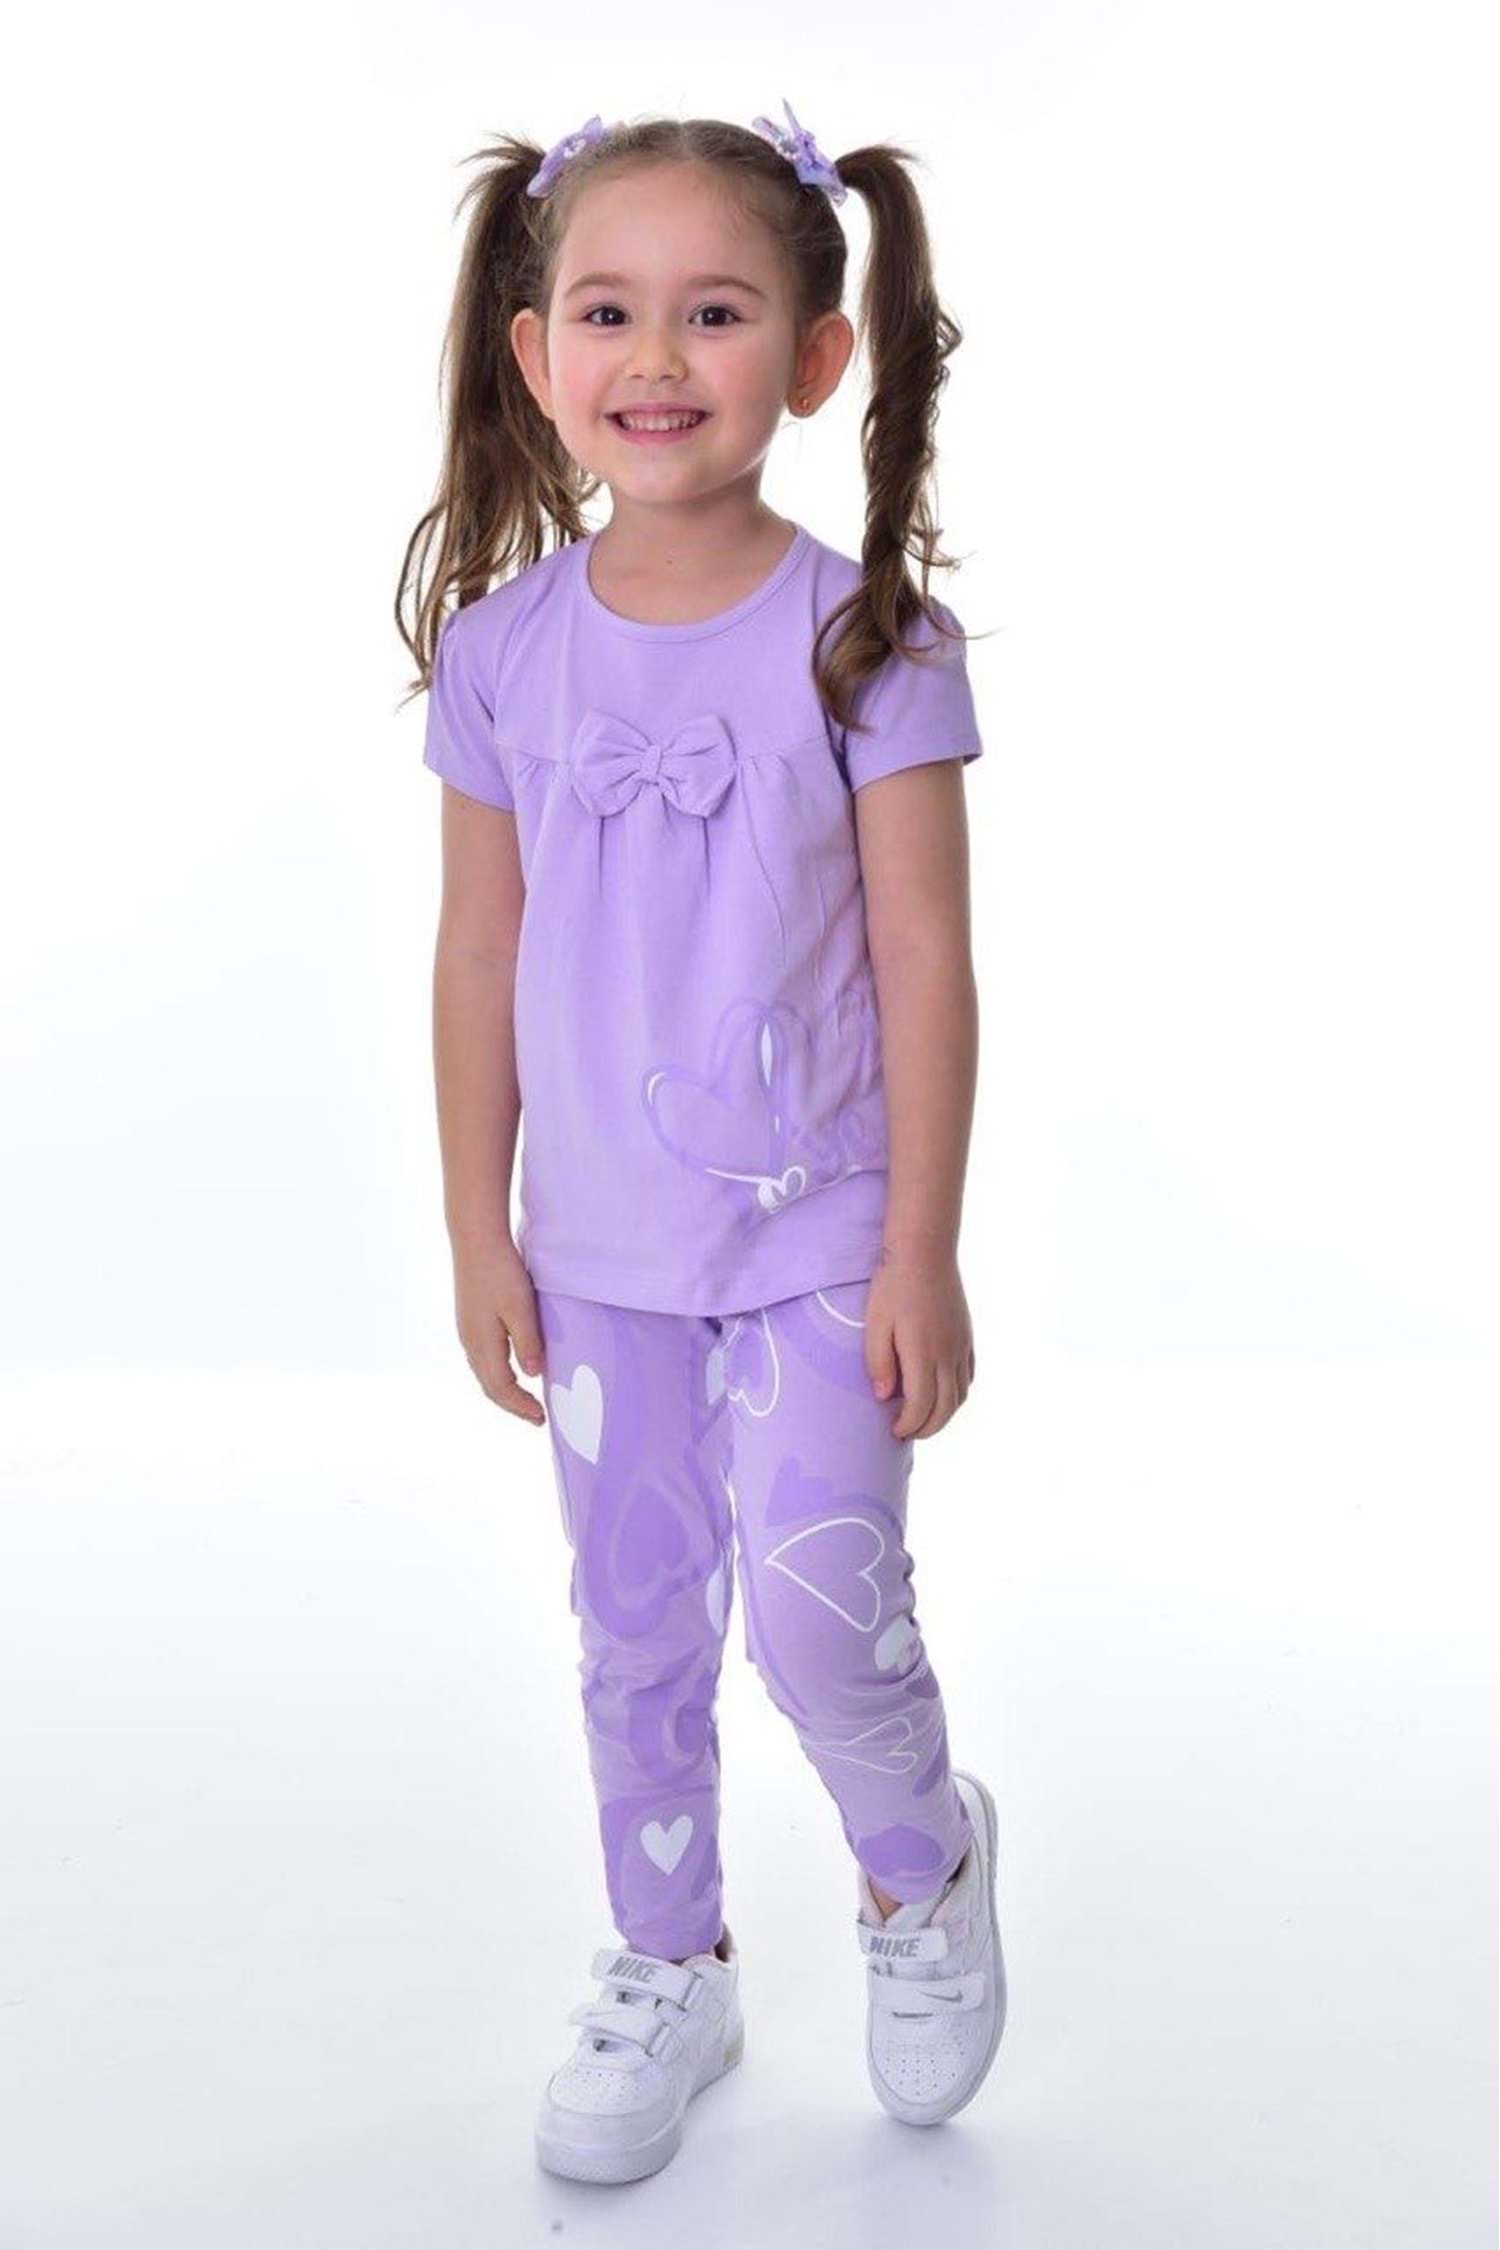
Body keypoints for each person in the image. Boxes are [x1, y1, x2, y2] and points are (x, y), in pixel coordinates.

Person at [397, 100, 1007, 2184]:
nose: (657, 358)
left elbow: (924, 960)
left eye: (716, 312)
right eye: (608, 312)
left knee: (824, 1617)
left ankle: (921, 1866)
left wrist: (920, 1246)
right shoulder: (503, 654)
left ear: (816, 357)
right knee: (637, 1630)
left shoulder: (868, 644)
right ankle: (674, 1959)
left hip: (823, 1236)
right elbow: (479, 954)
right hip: (601, 1258)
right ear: (534, 352)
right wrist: (477, 1228)